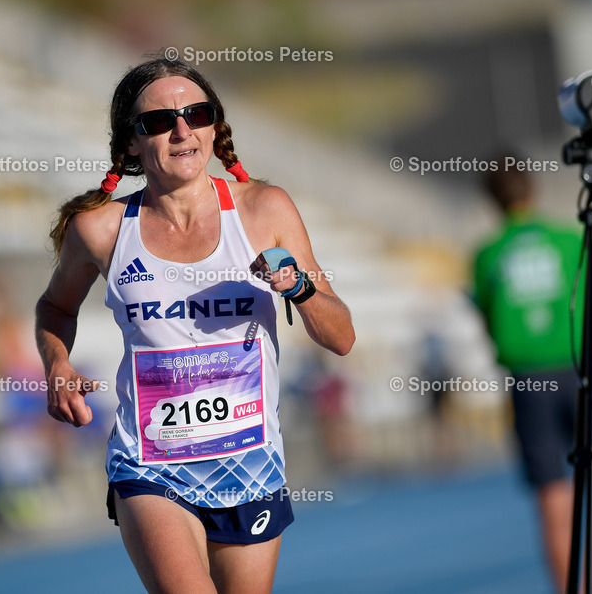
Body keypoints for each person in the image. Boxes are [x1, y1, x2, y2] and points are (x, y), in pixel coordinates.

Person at [35, 58, 354, 593]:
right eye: (159, 121)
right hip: (150, 464)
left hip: (249, 461)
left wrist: (297, 286)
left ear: (213, 127)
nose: (181, 130)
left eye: (195, 114)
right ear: (132, 143)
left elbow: (341, 336)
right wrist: (57, 365)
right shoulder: (100, 230)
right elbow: (55, 308)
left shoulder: (263, 211)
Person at [473, 156, 592, 588]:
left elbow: (487, 316)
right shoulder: (568, 236)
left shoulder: (487, 254)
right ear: (533, 188)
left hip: (529, 380)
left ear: (491, 199)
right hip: (584, 372)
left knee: (553, 497)